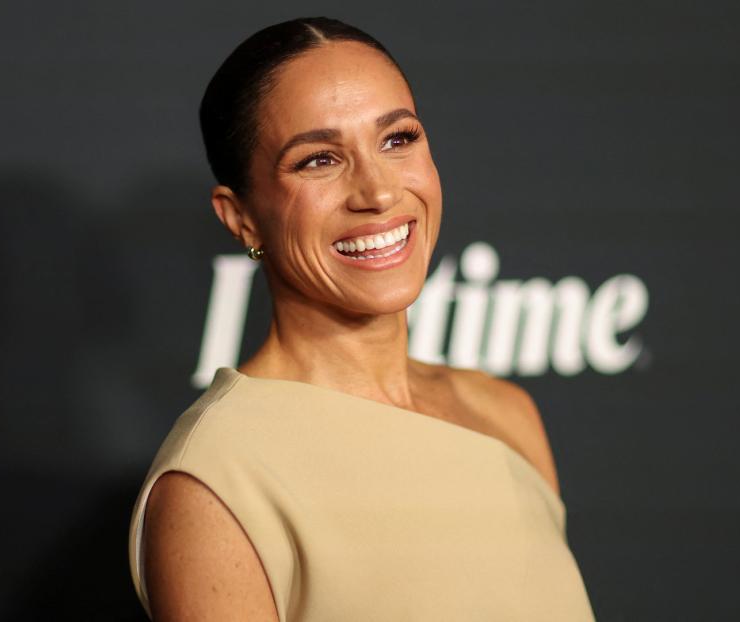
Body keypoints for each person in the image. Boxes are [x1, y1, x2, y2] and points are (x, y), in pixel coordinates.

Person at [127, 17, 596, 621]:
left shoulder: (504, 413)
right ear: (240, 216)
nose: (376, 191)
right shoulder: (216, 483)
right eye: (319, 159)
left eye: (398, 139)